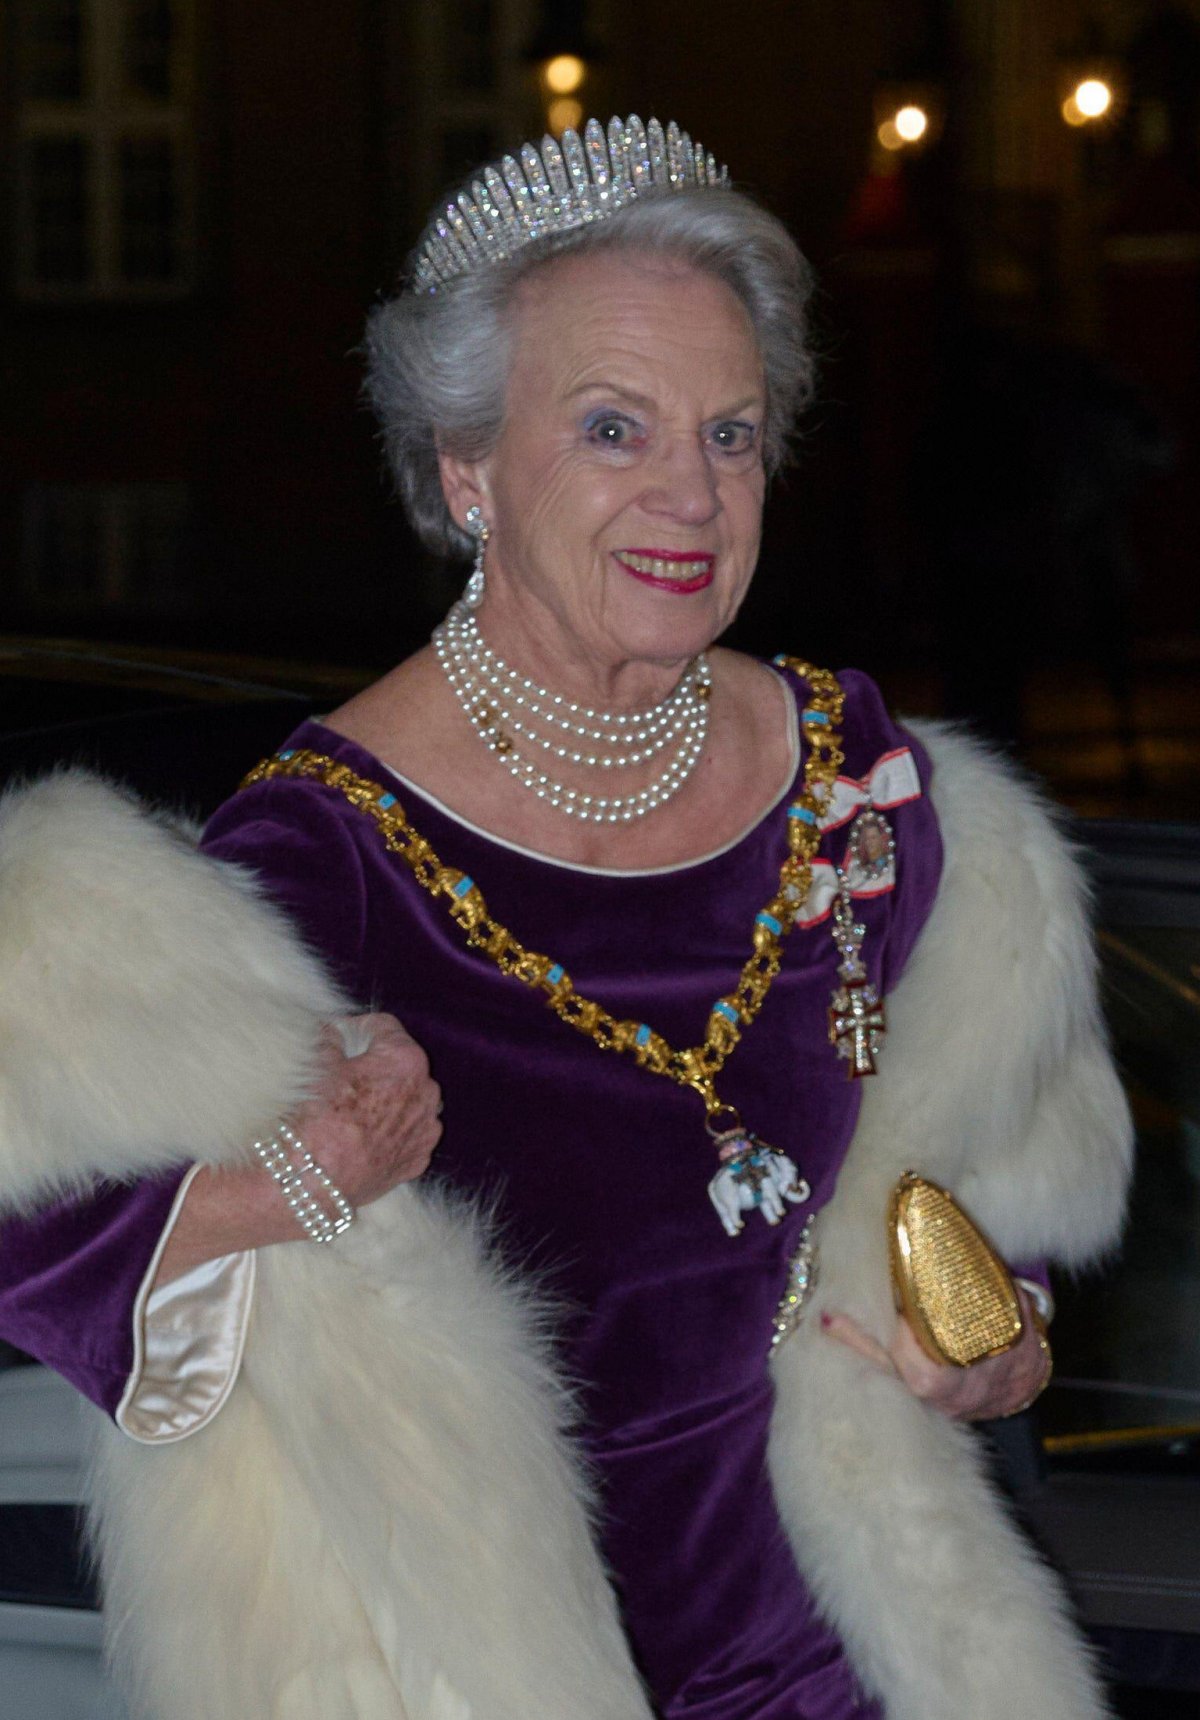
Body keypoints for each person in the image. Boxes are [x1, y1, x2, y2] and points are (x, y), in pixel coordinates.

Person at [0, 117, 1132, 1720]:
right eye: (614, 428)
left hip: (860, 1673)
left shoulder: (871, 798)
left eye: (730, 436)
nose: (691, 494)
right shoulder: (312, 866)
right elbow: (39, 1212)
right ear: (467, 468)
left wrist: (993, 1344)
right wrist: (281, 1191)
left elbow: (975, 1208)